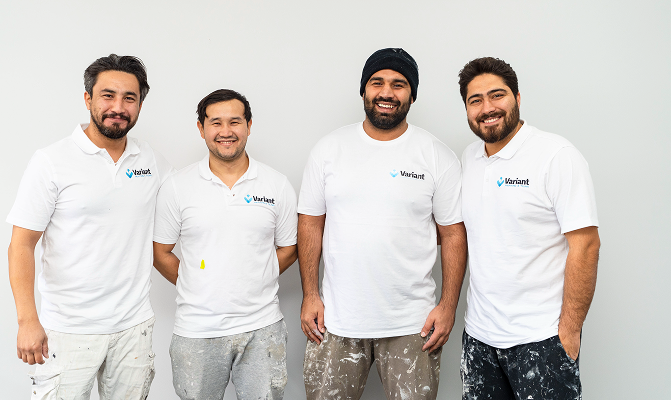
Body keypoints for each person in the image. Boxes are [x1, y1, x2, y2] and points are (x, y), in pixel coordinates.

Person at [298, 48, 468, 400]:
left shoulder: (436, 155)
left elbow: (453, 234)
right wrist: (310, 294)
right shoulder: (329, 149)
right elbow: (310, 224)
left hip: (413, 323)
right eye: (377, 82)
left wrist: (448, 306)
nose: (387, 92)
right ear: (364, 90)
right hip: (336, 319)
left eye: (399, 84)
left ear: (412, 95)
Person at [7, 54, 174, 399]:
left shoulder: (151, 161)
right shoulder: (51, 161)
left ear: (140, 105)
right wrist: (27, 320)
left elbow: (188, 209)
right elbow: (21, 244)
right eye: (107, 96)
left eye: (129, 98)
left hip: (133, 327)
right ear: (88, 99)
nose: (118, 107)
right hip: (67, 330)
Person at [457, 57, 601, 400]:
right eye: (476, 100)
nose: (487, 108)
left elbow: (586, 245)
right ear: (467, 109)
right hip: (479, 339)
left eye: (497, 95)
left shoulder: (556, 155)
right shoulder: (468, 158)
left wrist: (569, 331)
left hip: (542, 339)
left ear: (518, 98)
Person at [153, 89, 298, 400]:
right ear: (201, 128)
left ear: (248, 125)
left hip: (263, 327)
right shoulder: (177, 187)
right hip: (197, 330)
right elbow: (160, 252)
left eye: (235, 122)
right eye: (215, 123)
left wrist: (256, 276)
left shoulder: (277, 184)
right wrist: (198, 282)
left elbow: (289, 248)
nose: (226, 131)